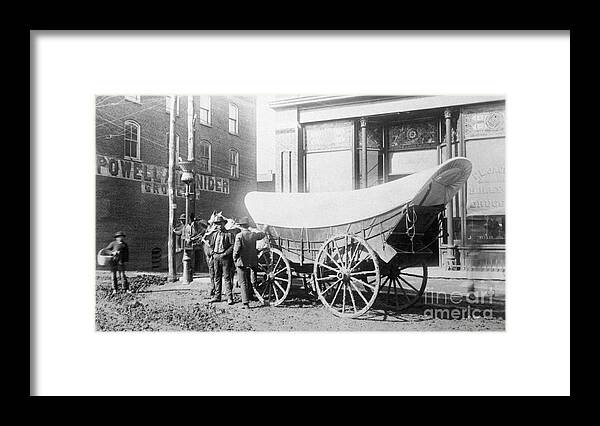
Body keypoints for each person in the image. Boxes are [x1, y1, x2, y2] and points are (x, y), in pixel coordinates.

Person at [233, 217, 268, 309]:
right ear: (248, 226)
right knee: (252, 279)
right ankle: (253, 294)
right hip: (252, 261)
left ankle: (245, 303)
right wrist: (264, 229)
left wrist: (235, 259)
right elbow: (261, 235)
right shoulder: (253, 235)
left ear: (241, 226)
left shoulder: (239, 236)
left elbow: (236, 250)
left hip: (242, 262)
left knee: (243, 282)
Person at [209, 214, 236, 305]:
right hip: (216, 257)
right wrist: (212, 253)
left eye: (220, 224)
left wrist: (225, 254)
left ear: (223, 224)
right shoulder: (214, 235)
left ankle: (229, 297)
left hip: (225, 258)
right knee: (217, 277)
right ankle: (217, 296)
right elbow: (211, 245)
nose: (218, 226)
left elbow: (233, 246)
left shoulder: (229, 234)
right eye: (217, 224)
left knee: (227, 277)